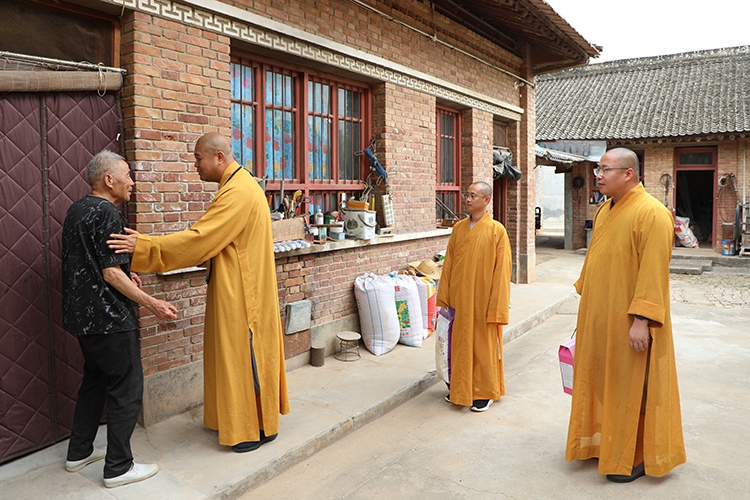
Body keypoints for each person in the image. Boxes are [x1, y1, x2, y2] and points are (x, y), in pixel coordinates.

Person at [108, 132, 290, 453]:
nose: (195, 165)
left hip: (242, 294)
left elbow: (200, 239)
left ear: (219, 157)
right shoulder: (239, 185)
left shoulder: (238, 192)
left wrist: (145, 247)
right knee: (242, 357)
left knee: (243, 357)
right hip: (240, 287)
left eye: (197, 158)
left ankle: (250, 430)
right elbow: (215, 239)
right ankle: (260, 423)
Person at [566, 148, 686, 482]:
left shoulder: (652, 214)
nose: (598, 176)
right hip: (601, 315)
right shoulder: (605, 211)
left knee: (636, 387)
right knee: (607, 383)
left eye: (604, 170)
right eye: (597, 170)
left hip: (631, 321)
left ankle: (636, 456)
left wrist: (642, 320)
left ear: (628, 174)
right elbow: (594, 265)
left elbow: (652, 273)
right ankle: (608, 444)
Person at [62, 150, 178, 488]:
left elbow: (95, 261)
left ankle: (79, 451)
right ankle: (118, 467)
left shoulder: (77, 209)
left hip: (83, 320)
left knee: (94, 382)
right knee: (126, 389)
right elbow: (110, 273)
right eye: (127, 175)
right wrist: (152, 302)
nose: (132, 181)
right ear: (108, 180)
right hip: (110, 319)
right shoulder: (108, 211)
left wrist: (130, 274)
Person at [436, 181, 512, 412]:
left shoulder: (497, 230)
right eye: (467, 195)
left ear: (486, 200)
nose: (468, 199)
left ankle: (485, 391)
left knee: (483, 346)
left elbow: (502, 272)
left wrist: (497, 307)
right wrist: (446, 297)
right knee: (459, 345)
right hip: (460, 299)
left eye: (473, 196)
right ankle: (461, 388)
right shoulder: (459, 228)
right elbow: (448, 264)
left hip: (483, 300)